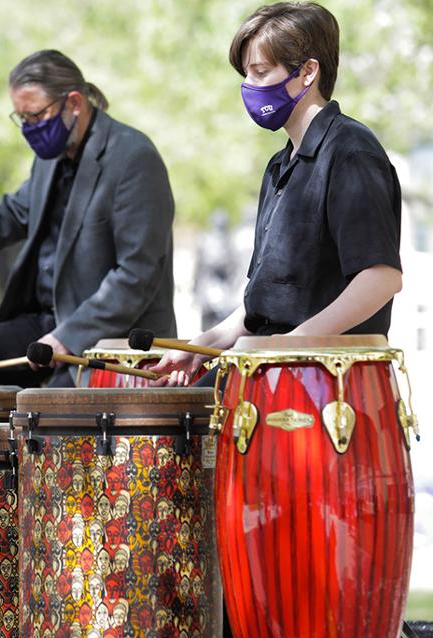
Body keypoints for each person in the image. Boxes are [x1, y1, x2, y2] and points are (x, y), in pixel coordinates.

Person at [153, 1, 402, 387]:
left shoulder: (351, 151)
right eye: (246, 75)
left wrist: (293, 345)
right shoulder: (278, 167)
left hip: (321, 380)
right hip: (269, 364)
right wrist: (208, 341)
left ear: (307, 73)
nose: (249, 87)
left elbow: (381, 279)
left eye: (261, 72)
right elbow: (263, 304)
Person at [0, 50, 176, 387]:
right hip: (43, 327)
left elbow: (138, 274)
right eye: (22, 119)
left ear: (74, 102)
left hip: (105, 341)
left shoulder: (133, 157)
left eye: (35, 116)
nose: (30, 129)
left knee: (44, 417)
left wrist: (68, 336)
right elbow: (12, 214)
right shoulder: (50, 157)